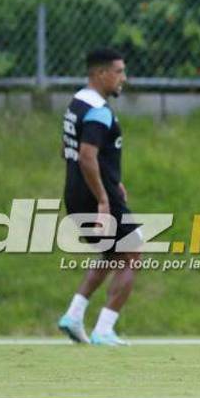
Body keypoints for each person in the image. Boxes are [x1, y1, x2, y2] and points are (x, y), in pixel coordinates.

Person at [56, 48, 140, 346]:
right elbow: (87, 156)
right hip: (95, 195)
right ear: (100, 74)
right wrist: (104, 199)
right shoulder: (98, 111)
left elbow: (82, 153)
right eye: (118, 72)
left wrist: (114, 183)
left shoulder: (77, 102)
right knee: (133, 253)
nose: (123, 78)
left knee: (112, 254)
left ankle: (74, 315)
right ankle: (104, 329)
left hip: (77, 191)